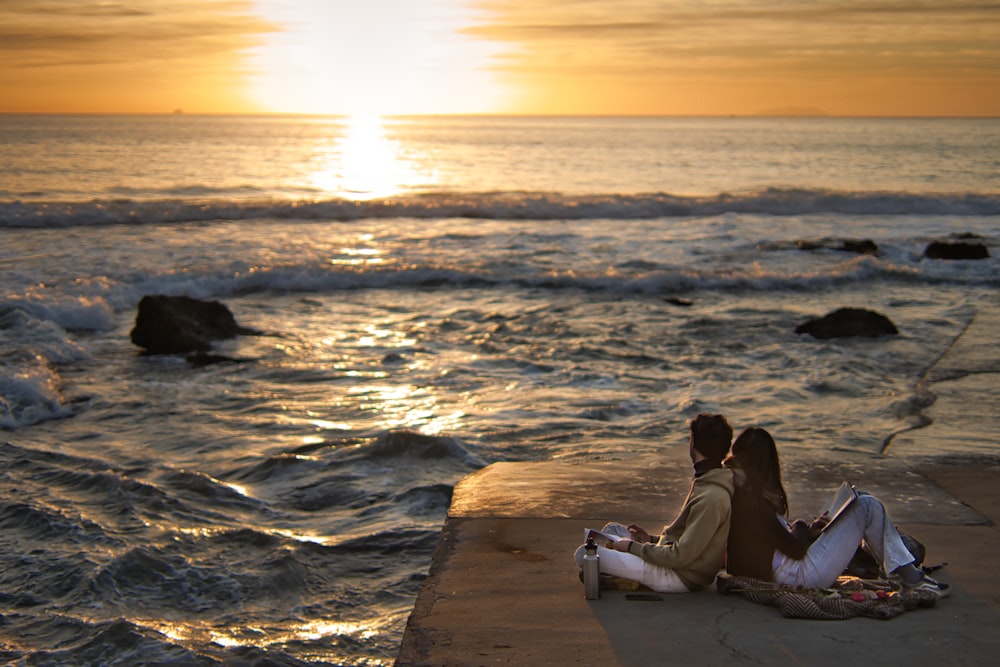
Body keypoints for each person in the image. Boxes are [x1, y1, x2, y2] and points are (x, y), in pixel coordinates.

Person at [724, 426, 949, 597]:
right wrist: (801, 526)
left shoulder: (743, 494)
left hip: (792, 571)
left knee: (860, 498)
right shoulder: (753, 504)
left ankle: (902, 568)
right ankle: (912, 579)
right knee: (867, 506)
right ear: (767, 463)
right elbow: (794, 550)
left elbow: (775, 541)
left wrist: (809, 531)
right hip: (798, 576)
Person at [573, 413, 735, 592]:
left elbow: (680, 556)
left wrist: (633, 547)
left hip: (677, 576)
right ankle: (617, 574)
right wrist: (650, 539)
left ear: (693, 443)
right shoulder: (706, 481)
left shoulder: (712, 497)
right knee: (612, 530)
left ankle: (620, 575)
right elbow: (687, 540)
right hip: (670, 562)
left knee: (583, 554)